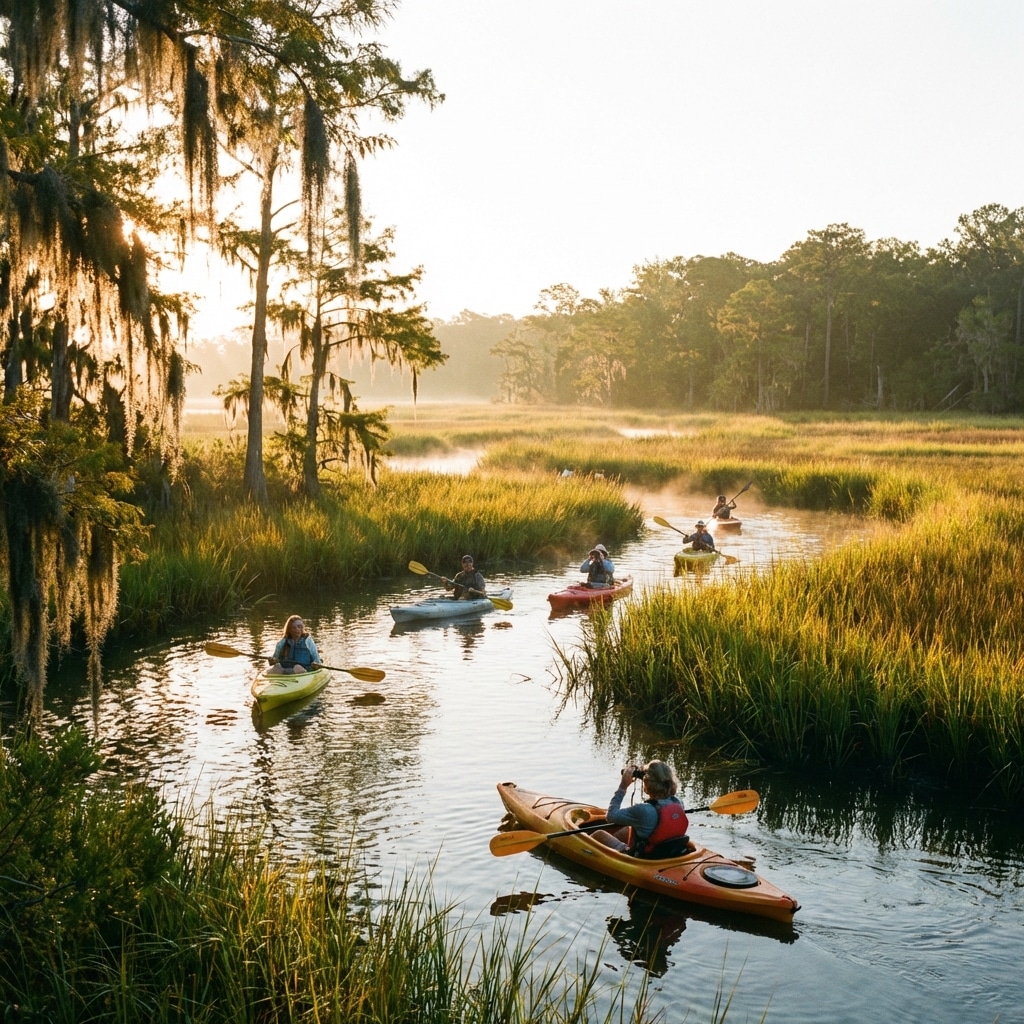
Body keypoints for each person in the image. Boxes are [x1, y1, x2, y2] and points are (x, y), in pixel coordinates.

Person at [591, 761, 690, 858]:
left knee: (599, 834)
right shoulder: (678, 802)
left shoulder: (644, 810)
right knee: (626, 829)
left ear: (647, 783)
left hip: (643, 856)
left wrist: (623, 786)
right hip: (669, 850)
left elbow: (610, 816)